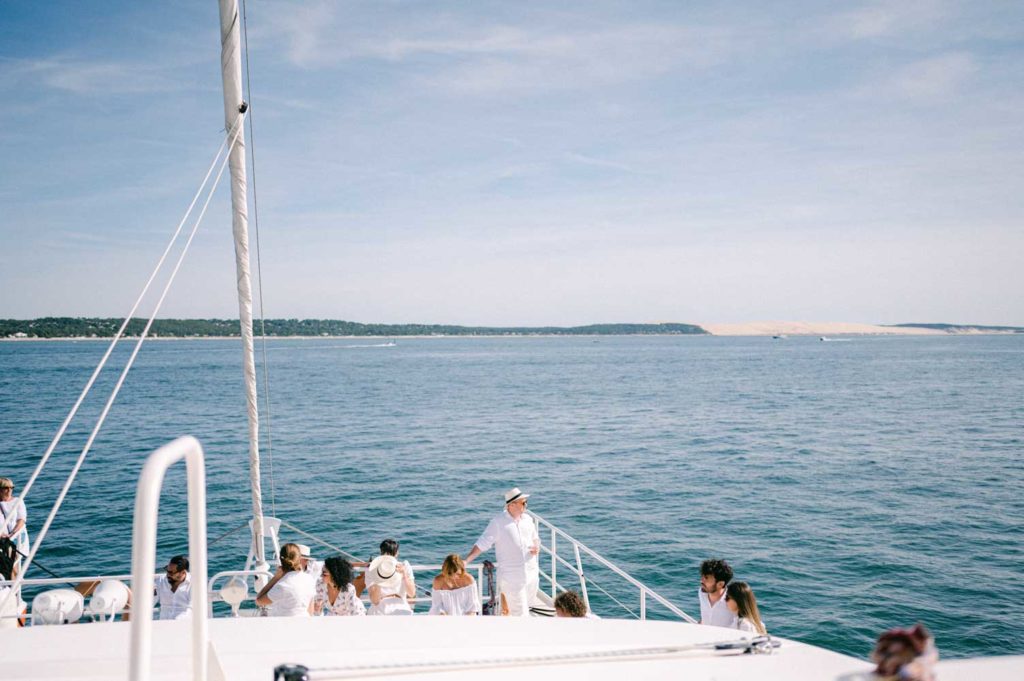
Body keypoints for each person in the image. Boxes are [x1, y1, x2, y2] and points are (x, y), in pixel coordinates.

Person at [465, 487, 540, 617]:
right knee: (520, 615)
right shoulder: (498, 523)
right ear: (511, 505)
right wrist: (466, 561)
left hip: (531, 574)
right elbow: (483, 543)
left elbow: (535, 538)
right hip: (512, 579)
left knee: (527, 607)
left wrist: (537, 546)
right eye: (523, 502)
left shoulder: (528, 519)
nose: (526, 505)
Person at [256, 543, 316, 617]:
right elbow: (310, 611)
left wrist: (276, 577)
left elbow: (259, 601)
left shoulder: (283, 585)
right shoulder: (310, 579)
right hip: (304, 621)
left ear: (281, 560)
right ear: (299, 559)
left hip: (282, 623)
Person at [698, 558, 737, 628]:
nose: (701, 581)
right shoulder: (702, 593)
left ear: (720, 584)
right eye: (702, 576)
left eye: (706, 578)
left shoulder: (732, 600)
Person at [155, 555, 192, 620]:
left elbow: (193, 608)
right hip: (163, 623)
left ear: (182, 572)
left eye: (171, 572)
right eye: (167, 570)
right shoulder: (161, 581)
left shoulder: (193, 583)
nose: (167, 574)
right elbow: (150, 601)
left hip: (184, 623)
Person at [0, 478, 29, 558]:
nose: (9, 490)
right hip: (2, 538)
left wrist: (12, 534)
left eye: (11, 487)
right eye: (6, 488)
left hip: (16, 536)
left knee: (13, 560)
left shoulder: (18, 501)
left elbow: (21, 520)